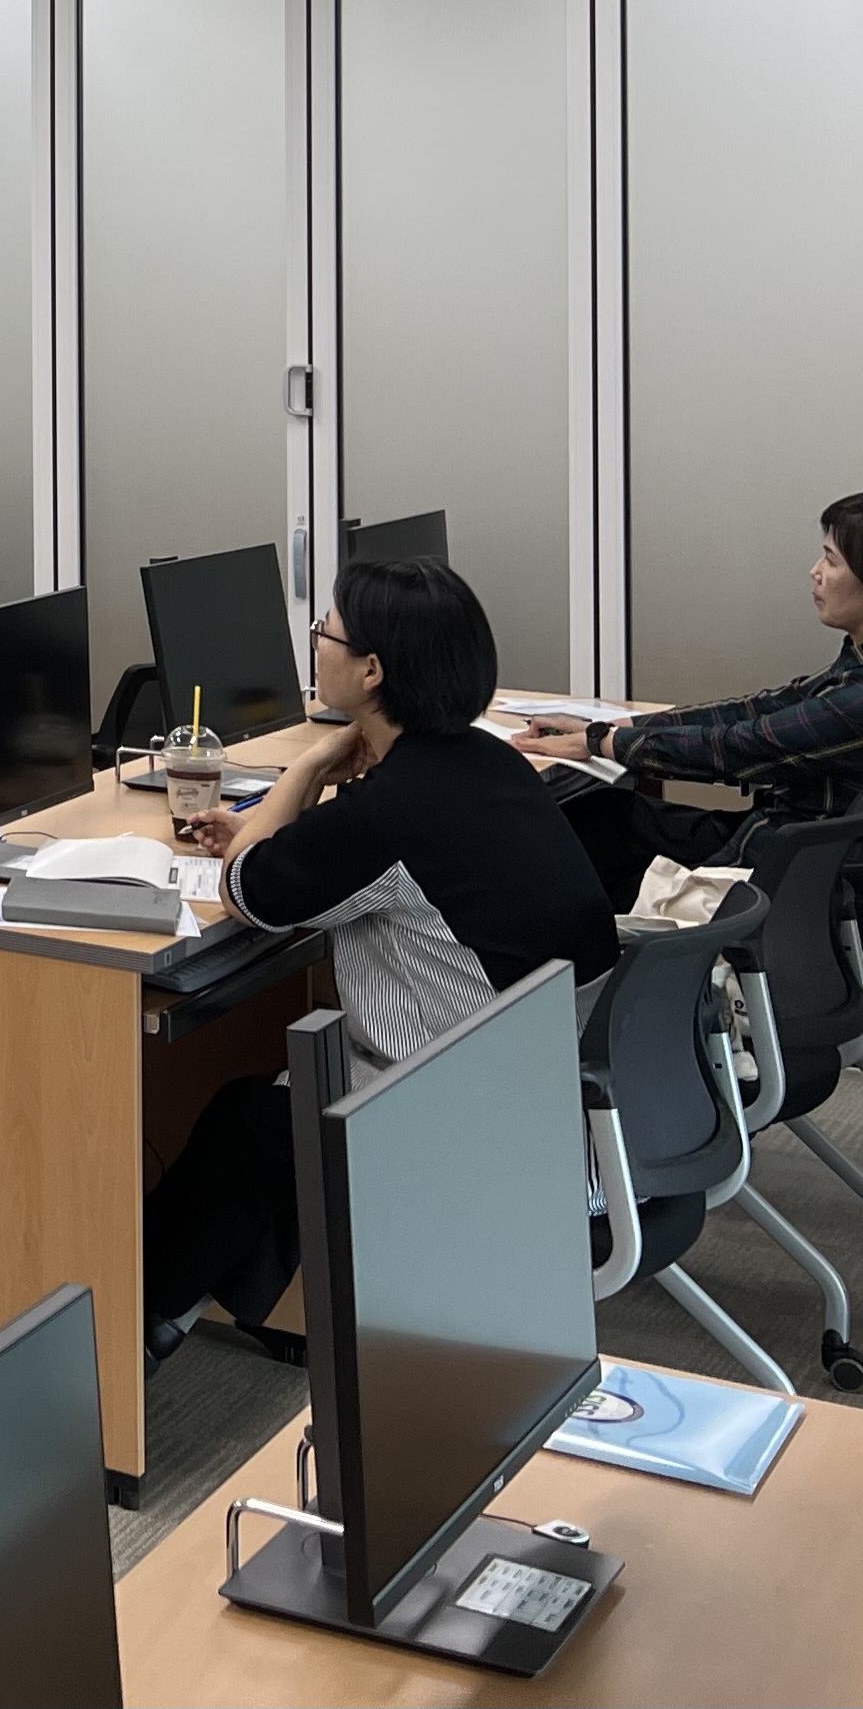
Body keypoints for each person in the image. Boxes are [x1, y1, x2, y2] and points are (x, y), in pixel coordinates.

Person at [144, 557, 616, 1353]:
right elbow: (326, 863)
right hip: (534, 1094)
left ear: (371, 670)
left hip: (448, 1110)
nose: (318, 643)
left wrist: (307, 768)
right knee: (275, 1104)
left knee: (250, 1120)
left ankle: (137, 1319)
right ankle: (198, 1310)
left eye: (326, 630)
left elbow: (247, 891)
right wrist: (290, 826)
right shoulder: (482, 760)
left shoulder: (391, 810)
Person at [521, 491, 863, 898]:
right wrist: (621, 728)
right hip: (803, 863)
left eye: (831, 560)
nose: (815, 572)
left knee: (571, 849)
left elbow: (742, 747)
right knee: (604, 814)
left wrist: (599, 743)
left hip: (792, 895)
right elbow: (768, 709)